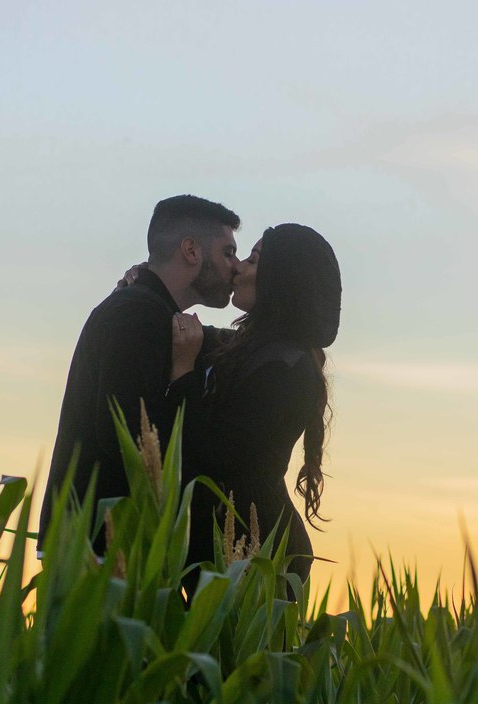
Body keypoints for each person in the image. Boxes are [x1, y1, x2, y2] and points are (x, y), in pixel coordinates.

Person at [38, 195, 241, 557]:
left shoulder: (153, 314)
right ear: (191, 251)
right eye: (228, 253)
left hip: (103, 541)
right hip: (101, 548)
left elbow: (229, 343)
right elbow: (125, 433)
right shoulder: (137, 314)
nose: (236, 267)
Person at [151, 224, 341, 589]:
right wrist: (148, 287)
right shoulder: (250, 347)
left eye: (252, 260)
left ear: (279, 279)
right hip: (232, 548)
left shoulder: (287, 369)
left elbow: (215, 454)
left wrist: (183, 371)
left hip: (262, 555)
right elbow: (191, 332)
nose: (238, 266)